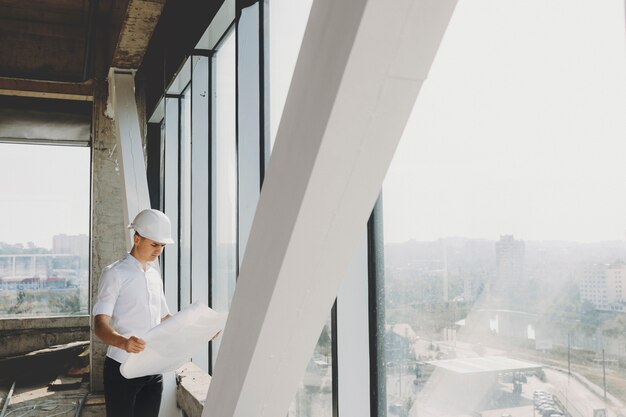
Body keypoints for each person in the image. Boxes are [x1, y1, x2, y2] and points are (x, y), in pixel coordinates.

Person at [93, 209, 174, 417]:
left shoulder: (155, 276)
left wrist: (199, 329)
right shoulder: (115, 273)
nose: (159, 250)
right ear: (137, 239)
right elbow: (100, 326)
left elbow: (165, 319)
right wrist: (124, 343)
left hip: (152, 368)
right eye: (154, 244)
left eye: (162, 245)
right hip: (122, 368)